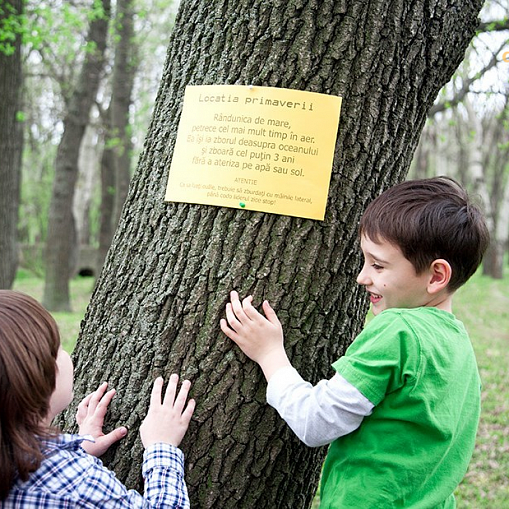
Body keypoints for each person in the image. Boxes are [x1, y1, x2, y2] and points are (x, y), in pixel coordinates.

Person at [220, 176, 490, 508]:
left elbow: (315, 422)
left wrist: (270, 354)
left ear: (436, 276)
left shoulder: (399, 331)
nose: (362, 277)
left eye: (378, 264)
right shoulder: (459, 346)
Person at [0, 290, 195, 508]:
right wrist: (162, 446)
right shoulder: (76, 485)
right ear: (38, 378)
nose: (67, 355)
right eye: (58, 348)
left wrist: (79, 449)